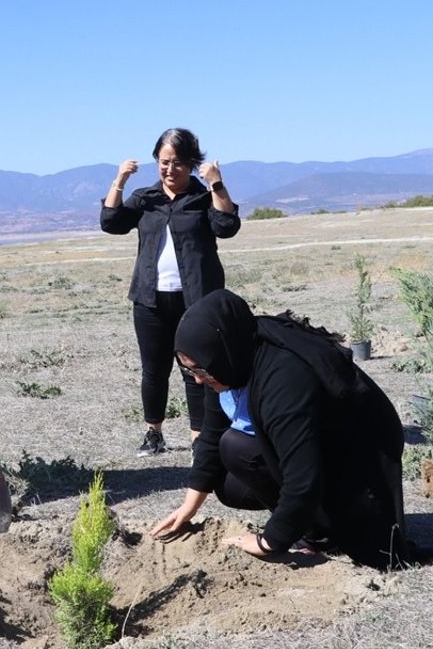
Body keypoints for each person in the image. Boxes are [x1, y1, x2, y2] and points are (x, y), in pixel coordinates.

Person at [148, 289, 409, 571]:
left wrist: (269, 541)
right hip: (314, 454)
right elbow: (211, 435)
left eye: (199, 371)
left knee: (235, 447)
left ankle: (319, 531)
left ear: (218, 351)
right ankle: (310, 522)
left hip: (356, 462)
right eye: (190, 372)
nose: (198, 381)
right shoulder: (227, 358)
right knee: (226, 482)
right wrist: (189, 507)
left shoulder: (283, 376)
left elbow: (303, 474)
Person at [100, 128, 241, 456]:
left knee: (196, 371)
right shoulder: (146, 199)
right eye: (164, 162)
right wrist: (119, 180)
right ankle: (154, 434)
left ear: (192, 164)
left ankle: (199, 439)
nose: (169, 169)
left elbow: (227, 226)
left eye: (178, 163)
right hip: (150, 299)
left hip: (196, 300)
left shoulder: (203, 197)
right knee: (154, 370)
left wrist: (216, 183)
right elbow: (111, 221)